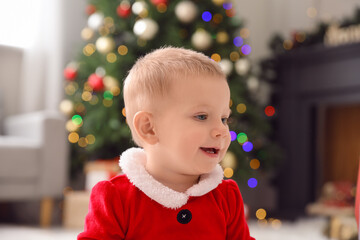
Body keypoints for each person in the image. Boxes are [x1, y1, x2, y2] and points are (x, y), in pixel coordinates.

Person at [78, 47, 255, 240]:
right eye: (202, 116)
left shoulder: (226, 196)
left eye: (223, 119)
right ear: (149, 128)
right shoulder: (115, 198)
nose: (221, 130)